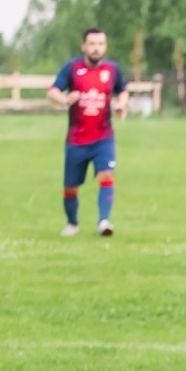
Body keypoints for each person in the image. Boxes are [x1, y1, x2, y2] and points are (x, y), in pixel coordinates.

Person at [47, 27, 128, 237]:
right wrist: (64, 100)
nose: (96, 48)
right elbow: (53, 91)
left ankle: (104, 222)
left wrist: (120, 105)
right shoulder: (72, 68)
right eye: (92, 44)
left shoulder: (113, 70)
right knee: (70, 188)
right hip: (76, 139)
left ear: (105, 46)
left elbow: (123, 91)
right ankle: (72, 223)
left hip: (103, 137)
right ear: (84, 46)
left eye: (100, 44)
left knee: (106, 174)